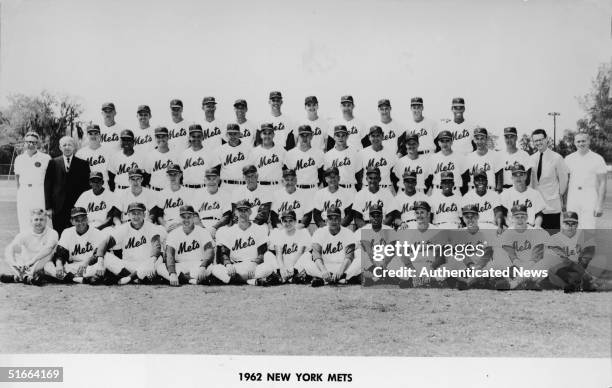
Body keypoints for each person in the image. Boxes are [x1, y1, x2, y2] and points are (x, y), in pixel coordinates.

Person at [93, 202, 166, 285]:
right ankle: (136, 278)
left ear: (144, 215)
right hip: (127, 266)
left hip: (145, 265)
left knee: (158, 258)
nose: (136, 216)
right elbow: (105, 243)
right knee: (106, 256)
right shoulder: (123, 228)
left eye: (139, 213)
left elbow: (156, 246)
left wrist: (151, 263)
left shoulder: (151, 227)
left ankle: (129, 278)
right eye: (133, 213)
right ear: (128, 215)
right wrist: (100, 263)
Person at [209, 200, 273, 285]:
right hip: (236, 267)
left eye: (245, 210)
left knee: (268, 268)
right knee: (215, 269)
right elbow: (224, 253)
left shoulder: (259, 229)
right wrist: (228, 265)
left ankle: (236, 280)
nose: (243, 213)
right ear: (235, 212)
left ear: (250, 212)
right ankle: (252, 281)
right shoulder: (228, 231)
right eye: (240, 210)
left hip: (253, 266)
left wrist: (254, 264)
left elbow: (262, 253)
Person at [46, 207, 108, 284]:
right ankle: (80, 279)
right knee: (48, 267)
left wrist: (86, 262)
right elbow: (60, 253)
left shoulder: (96, 232)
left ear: (87, 219)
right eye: (77, 220)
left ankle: (70, 278)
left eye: (83, 219)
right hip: (74, 266)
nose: (80, 223)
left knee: (104, 264)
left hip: (90, 266)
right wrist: (59, 265)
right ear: (72, 221)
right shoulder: (67, 232)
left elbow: (99, 253)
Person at [156, 205, 214, 286]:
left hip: (198, 264)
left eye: (189, 217)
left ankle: (182, 279)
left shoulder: (203, 231)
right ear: (180, 218)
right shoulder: (173, 233)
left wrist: (203, 266)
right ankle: (191, 280)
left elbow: (209, 251)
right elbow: (169, 255)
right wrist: (172, 272)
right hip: (180, 264)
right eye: (183, 217)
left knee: (210, 268)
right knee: (160, 268)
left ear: (193, 217)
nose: (186, 220)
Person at [44, 136, 91, 234]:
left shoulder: (83, 164)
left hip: (76, 205)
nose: (67, 147)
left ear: (74, 147)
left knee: (77, 233)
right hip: (58, 207)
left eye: (69, 144)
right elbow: (48, 185)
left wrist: (86, 204)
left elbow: (87, 187)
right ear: (60, 147)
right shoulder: (53, 162)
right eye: (64, 145)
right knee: (59, 232)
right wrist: (48, 207)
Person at [0, 208, 58, 285]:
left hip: (42, 262)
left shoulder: (52, 233)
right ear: (31, 221)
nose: (38, 222)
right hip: (26, 264)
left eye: (41, 220)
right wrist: (15, 263)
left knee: (48, 261)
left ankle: (18, 278)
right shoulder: (25, 233)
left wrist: (33, 261)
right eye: (36, 219)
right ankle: (27, 277)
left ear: (46, 221)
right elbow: (12, 247)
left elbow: (49, 248)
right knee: (9, 249)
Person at [541, 212, 596, 292]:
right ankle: (571, 285)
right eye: (567, 223)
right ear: (562, 224)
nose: (570, 226)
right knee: (552, 270)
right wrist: (583, 273)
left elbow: (586, 259)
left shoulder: (586, 237)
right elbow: (559, 261)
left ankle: (576, 283)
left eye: (573, 223)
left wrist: (582, 272)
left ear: (577, 224)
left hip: (581, 270)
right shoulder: (554, 238)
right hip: (563, 271)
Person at [307, 206, 360, 287]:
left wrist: (341, 272)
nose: (334, 221)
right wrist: (324, 271)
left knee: (361, 256)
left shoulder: (348, 233)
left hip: (343, 267)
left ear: (341, 219)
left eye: (336, 218)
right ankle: (340, 279)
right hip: (325, 267)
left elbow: (349, 256)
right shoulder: (319, 232)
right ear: (326, 220)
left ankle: (328, 279)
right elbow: (316, 255)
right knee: (306, 258)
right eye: (331, 218)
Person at [564, 132, 607, 229]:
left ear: (589, 142)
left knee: (588, 229)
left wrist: (599, 205)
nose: (581, 144)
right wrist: (563, 202)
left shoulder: (597, 158)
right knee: (571, 227)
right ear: (574, 143)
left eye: (583, 141)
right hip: (573, 197)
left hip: (590, 197)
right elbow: (564, 182)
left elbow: (603, 183)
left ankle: (587, 245)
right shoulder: (568, 159)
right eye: (578, 141)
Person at [501, 204, 549, 290]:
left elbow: (536, 258)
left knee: (544, 264)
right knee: (500, 260)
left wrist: (524, 271)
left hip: (532, 266)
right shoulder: (507, 233)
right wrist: (522, 268)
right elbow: (512, 256)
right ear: (512, 218)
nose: (520, 220)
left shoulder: (535, 232)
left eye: (522, 217)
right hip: (515, 267)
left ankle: (515, 283)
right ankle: (528, 282)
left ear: (527, 217)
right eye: (517, 217)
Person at [530, 128, 569, 231]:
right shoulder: (531, 159)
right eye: (536, 141)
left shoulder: (557, 158)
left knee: (552, 240)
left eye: (541, 139)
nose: (538, 142)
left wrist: (557, 196)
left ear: (546, 139)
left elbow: (564, 181)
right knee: (537, 241)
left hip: (552, 207)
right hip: (537, 208)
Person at [14, 131, 51, 232]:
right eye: (28, 142)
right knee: (24, 221)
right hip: (24, 192)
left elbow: (50, 179)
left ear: (38, 144)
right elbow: (17, 178)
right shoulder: (19, 159)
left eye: (34, 142)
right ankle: (25, 247)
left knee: (40, 220)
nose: (31, 144)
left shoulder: (46, 158)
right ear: (24, 143)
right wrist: (20, 192)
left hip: (39, 191)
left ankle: (42, 247)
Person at [264, 210, 313, 284]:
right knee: (268, 254)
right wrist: (282, 268)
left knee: (307, 255)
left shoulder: (303, 232)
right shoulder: (277, 232)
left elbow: (300, 252)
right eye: (285, 221)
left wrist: (291, 269)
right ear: (281, 222)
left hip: (296, 265)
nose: (288, 223)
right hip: (282, 264)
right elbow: (278, 253)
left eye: (291, 221)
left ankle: (293, 276)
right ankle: (280, 275)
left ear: (295, 221)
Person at [500, 164, 546, 228]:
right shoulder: (505, 194)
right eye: (515, 175)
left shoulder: (535, 194)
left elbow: (539, 214)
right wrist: (510, 226)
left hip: (530, 227)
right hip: (512, 226)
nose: (518, 178)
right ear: (512, 178)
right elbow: (503, 215)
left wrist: (537, 225)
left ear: (525, 176)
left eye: (521, 175)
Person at [284, 124, 324, 196]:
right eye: (302, 135)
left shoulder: (319, 153)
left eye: (307, 135)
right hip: (296, 190)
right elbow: (287, 174)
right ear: (298, 137)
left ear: (311, 136)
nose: (305, 138)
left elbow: (322, 173)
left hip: (313, 190)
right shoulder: (290, 154)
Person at [153, 164, 194, 232]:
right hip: (167, 224)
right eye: (170, 174)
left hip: (184, 223)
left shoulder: (189, 192)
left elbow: (192, 214)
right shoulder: (161, 194)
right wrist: (166, 226)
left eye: (175, 174)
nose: (173, 177)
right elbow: (159, 215)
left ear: (180, 175)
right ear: (167, 176)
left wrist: (181, 224)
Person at [193, 168, 231, 237]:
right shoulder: (197, 194)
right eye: (209, 179)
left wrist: (215, 227)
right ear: (204, 180)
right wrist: (202, 228)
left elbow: (227, 216)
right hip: (201, 224)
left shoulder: (226, 194)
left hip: (219, 225)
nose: (211, 182)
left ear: (218, 179)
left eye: (214, 179)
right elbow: (194, 215)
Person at [462, 127, 503, 192]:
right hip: (473, 192)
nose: (479, 141)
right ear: (474, 140)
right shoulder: (468, 157)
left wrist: (498, 192)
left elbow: (499, 178)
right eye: (477, 139)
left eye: (482, 138)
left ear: (486, 139)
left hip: (489, 191)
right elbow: (464, 179)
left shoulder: (495, 155)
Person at [360, 125, 398, 192]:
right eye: (373, 136)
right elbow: (357, 174)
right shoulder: (362, 153)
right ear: (369, 137)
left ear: (382, 136)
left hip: (385, 189)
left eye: (378, 136)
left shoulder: (390, 153)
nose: (375, 138)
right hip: (368, 189)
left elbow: (396, 174)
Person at [323, 125, 362, 190]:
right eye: (338, 135)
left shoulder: (355, 153)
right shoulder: (328, 155)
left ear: (347, 136)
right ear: (334, 137)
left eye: (343, 135)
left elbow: (359, 176)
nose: (340, 138)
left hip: (350, 189)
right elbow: (325, 178)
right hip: (334, 189)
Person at [215, 123, 251, 190]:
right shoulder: (219, 150)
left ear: (239, 134)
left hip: (243, 185)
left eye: (235, 134)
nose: (232, 136)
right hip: (226, 186)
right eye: (230, 134)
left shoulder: (248, 149)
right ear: (226, 135)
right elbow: (216, 171)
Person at [143, 126, 178, 192]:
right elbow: (147, 175)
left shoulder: (175, 155)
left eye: (163, 136)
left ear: (168, 137)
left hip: (171, 191)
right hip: (155, 191)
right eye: (158, 137)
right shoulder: (150, 156)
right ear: (155, 138)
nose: (161, 139)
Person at [75, 124, 110, 189]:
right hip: (87, 186)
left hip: (104, 185)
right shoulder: (80, 153)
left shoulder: (108, 151)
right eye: (90, 134)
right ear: (87, 135)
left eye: (96, 133)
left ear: (100, 135)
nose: (93, 136)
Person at [179, 124, 211, 192]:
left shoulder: (210, 153)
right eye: (193, 136)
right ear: (189, 137)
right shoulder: (183, 155)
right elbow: (179, 176)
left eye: (198, 136)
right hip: (187, 190)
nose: (196, 139)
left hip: (203, 189)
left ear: (202, 137)